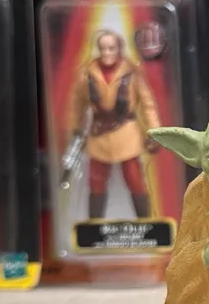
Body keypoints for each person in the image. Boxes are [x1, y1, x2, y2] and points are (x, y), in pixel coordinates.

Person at [66, 29, 161, 220]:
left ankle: (146, 223)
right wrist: (75, 129)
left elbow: (148, 104)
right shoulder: (88, 73)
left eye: (111, 48)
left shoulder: (132, 73)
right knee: (96, 182)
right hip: (99, 135)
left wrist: (155, 132)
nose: (106, 53)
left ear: (119, 49)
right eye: (102, 48)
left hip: (127, 134)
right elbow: (76, 104)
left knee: (135, 180)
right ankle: (94, 226)